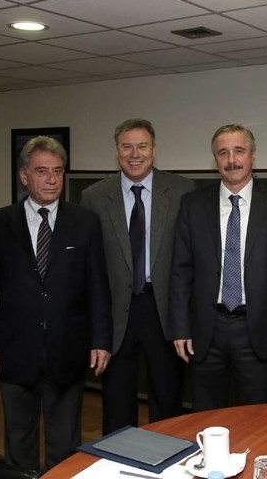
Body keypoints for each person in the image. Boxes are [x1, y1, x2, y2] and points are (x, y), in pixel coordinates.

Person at [0, 136, 111, 469]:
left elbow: (98, 286)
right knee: (18, 445)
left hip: (68, 351)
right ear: (24, 176)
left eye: (58, 171)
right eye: (42, 171)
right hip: (14, 352)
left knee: (65, 446)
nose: (52, 179)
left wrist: (100, 340)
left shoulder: (85, 222)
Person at [169, 124, 267, 410]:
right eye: (223, 153)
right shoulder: (193, 204)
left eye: (239, 151)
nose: (232, 160)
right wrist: (180, 327)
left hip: (259, 329)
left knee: (256, 416)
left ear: (253, 155)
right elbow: (181, 272)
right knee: (207, 416)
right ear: (215, 159)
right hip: (207, 330)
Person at [80, 119, 193, 434]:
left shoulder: (182, 191)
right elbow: (91, 266)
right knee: (116, 401)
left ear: (154, 150)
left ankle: (169, 454)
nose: (134, 154)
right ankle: (118, 456)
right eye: (126, 147)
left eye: (142, 146)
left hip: (164, 310)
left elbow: (190, 258)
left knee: (167, 398)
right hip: (116, 313)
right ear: (117, 151)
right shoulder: (94, 196)